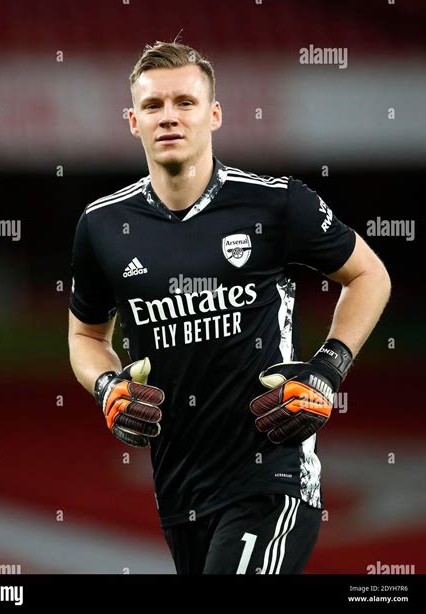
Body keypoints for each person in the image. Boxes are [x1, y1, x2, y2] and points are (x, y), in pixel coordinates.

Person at [68, 41, 391, 575]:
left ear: (214, 114)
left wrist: (327, 371)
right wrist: (108, 388)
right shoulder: (102, 226)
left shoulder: (276, 203)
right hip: (179, 489)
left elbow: (369, 275)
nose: (168, 116)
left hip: (272, 479)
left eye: (185, 102)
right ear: (133, 121)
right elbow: (86, 339)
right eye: (153, 106)